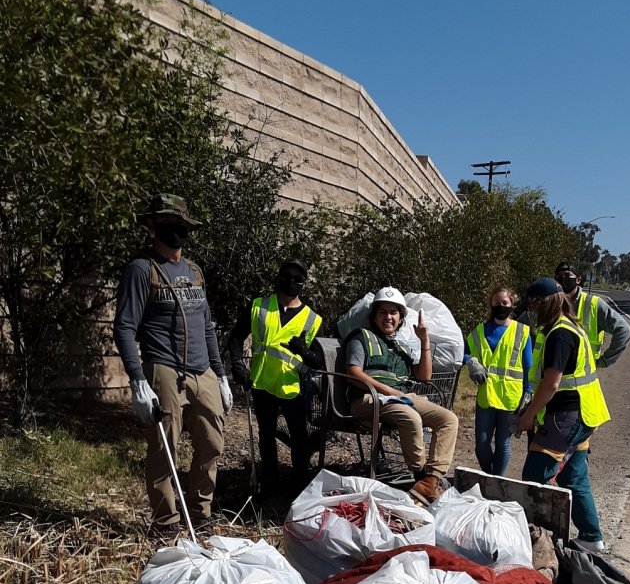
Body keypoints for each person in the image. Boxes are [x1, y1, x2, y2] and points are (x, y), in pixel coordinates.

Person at [113, 193, 232, 535]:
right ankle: (166, 522)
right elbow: (124, 326)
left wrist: (220, 374)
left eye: (180, 224)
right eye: (166, 224)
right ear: (152, 227)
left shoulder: (194, 272)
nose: (175, 231)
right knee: (165, 446)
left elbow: (207, 326)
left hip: (202, 370)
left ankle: (200, 511)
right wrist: (137, 381)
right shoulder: (141, 270)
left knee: (213, 443)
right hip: (163, 369)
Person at [516, 278, 610, 552]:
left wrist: (528, 416)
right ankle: (592, 537)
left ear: (545, 303)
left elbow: (551, 384)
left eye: (533, 305)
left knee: (536, 476)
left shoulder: (559, 334)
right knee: (574, 477)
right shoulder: (569, 328)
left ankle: (540, 542)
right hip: (582, 415)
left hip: (567, 416)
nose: (531, 311)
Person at [344, 286, 459, 505]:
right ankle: (420, 475)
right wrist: (387, 390)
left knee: (448, 419)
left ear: (400, 318)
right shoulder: (362, 337)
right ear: (374, 316)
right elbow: (353, 373)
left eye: (393, 312)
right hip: (367, 399)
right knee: (410, 416)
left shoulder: (401, 347)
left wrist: (424, 340)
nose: (388, 317)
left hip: (399, 398)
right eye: (383, 312)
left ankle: (431, 479)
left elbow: (424, 376)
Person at [229, 259, 324, 498]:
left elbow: (317, 361)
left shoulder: (312, 319)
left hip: (293, 387)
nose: (290, 281)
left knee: (299, 440)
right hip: (262, 383)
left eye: (297, 278)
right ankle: (270, 485)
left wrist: (303, 349)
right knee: (266, 436)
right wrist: (238, 364)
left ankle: (299, 489)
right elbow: (236, 338)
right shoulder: (259, 306)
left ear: (304, 284)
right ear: (279, 276)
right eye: (286, 275)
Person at [465, 287, 533, 476]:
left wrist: (529, 391)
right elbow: (464, 351)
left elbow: (528, 365)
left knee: (503, 443)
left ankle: (497, 480)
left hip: (511, 397)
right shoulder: (480, 330)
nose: (500, 306)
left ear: (512, 304)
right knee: (482, 445)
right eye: (497, 302)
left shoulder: (522, 331)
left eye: (505, 302)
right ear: (491, 304)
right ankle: (489, 476)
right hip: (486, 396)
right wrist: (471, 362)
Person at [553, 261, 630, 366]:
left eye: (567, 275)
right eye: (559, 276)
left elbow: (624, 331)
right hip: (551, 372)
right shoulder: (550, 303)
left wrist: (604, 361)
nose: (563, 279)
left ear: (578, 280)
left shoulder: (593, 304)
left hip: (583, 375)